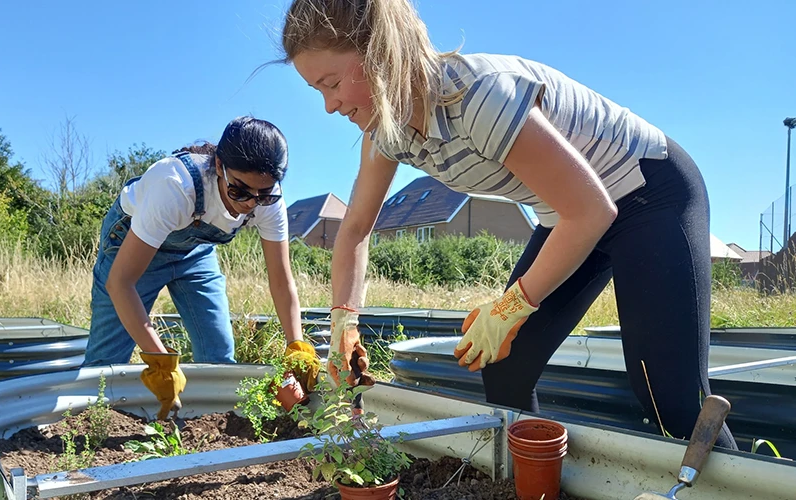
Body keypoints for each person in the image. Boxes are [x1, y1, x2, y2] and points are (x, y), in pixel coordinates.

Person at [279, 0, 737, 448]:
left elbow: (593, 211)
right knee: (503, 360)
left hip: (647, 191)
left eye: (332, 83)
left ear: (380, 53)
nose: (329, 106)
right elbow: (356, 229)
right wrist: (344, 321)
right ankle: (534, 476)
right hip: (571, 215)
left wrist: (510, 307)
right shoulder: (386, 132)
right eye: (317, 90)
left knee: (669, 396)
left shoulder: (480, 98)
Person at [82, 116, 320, 420]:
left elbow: (281, 280)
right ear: (219, 166)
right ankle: (90, 431)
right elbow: (120, 283)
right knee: (104, 368)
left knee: (218, 356)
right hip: (131, 246)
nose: (250, 204)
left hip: (194, 253)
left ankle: (216, 434)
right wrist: (160, 362)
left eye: (263, 194)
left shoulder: (268, 200)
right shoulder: (174, 187)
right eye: (240, 191)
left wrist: (295, 343)